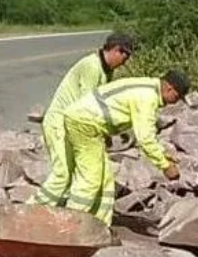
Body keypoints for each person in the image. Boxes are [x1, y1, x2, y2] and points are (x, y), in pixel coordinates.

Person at [62, 70, 190, 226]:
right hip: (84, 123)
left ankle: (99, 226)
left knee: (105, 180)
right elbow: (145, 139)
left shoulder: (147, 86)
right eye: (176, 97)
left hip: (85, 120)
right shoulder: (147, 98)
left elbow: (144, 134)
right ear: (169, 88)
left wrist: (163, 154)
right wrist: (165, 166)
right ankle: (69, 226)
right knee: (91, 179)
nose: (175, 102)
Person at [29, 33, 134, 208]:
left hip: (72, 125)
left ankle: (55, 210)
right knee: (62, 175)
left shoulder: (106, 70)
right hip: (59, 123)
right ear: (117, 50)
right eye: (126, 56)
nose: (126, 61)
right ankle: (31, 210)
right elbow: (89, 105)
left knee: (73, 173)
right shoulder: (92, 66)